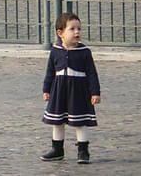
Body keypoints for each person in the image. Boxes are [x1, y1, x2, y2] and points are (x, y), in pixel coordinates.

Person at [40, 12, 101, 164]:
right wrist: (46, 89)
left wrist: (95, 92)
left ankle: (83, 150)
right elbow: (50, 72)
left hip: (78, 92)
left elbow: (92, 73)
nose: (77, 32)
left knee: (80, 121)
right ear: (60, 33)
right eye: (72, 29)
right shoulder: (55, 51)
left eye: (79, 29)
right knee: (57, 121)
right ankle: (57, 149)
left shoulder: (84, 52)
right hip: (59, 91)